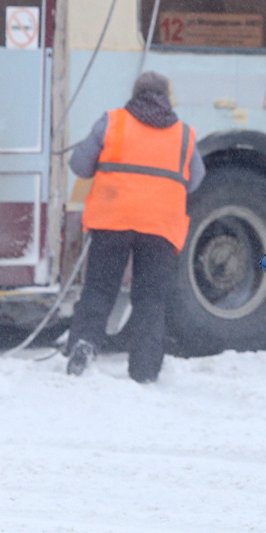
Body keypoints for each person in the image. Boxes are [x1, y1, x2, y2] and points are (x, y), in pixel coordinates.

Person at [64, 71, 204, 383]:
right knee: (151, 298)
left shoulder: (112, 122)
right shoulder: (183, 134)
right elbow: (195, 179)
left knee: (99, 289)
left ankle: (84, 343)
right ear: (166, 96)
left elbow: (79, 166)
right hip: (160, 225)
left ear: (135, 93)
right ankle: (145, 368)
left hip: (111, 219)